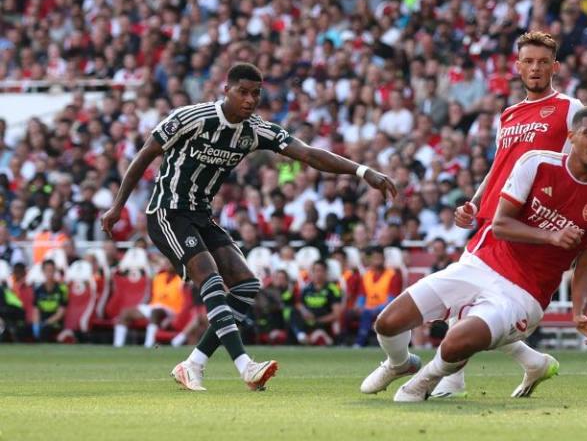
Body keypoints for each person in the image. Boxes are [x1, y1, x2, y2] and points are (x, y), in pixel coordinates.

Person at [100, 63, 397, 392]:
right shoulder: (191, 117)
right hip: (168, 212)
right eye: (243, 92)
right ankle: (245, 367)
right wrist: (118, 205)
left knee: (246, 285)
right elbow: (146, 153)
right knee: (210, 276)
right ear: (226, 90)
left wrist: (363, 172)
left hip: (201, 216)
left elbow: (310, 154)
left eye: (256, 93)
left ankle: (193, 364)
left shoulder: (255, 130)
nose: (250, 99)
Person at [361, 106, 587, 402]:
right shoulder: (537, 163)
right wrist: (551, 235)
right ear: (572, 136)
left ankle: (424, 381)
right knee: (388, 322)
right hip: (481, 263)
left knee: (456, 341)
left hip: (524, 294)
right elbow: (500, 225)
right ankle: (401, 364)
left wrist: (579, 313)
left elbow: (586, 267)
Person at [438, 31, 584, 399]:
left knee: (472, 296)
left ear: (555, 66)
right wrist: (473, 201)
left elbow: (581, 165)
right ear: (517, 67)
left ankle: (452, 380)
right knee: (473, 299)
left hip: (527, 220)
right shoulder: (509, 114)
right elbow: (497, 167)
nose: (535, 68)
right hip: (493, 214)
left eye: (542, 62)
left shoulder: (570, 108)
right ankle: (530, 362)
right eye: (528, 62)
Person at [113, 258, 185, 347]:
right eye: (167, 263)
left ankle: (148, 345)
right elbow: (151, 295)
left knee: (155, 312)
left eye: (170, 263)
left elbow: (185, 300)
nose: (168, 265)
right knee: (125, 312)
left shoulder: (182, 280)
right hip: (155, 306)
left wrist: (176, 316)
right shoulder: (159, 277)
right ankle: (117, 345)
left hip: (172, 309)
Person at [354, 248, 402, 347]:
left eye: (380, 258)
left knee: (367, 313)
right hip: (367, 309)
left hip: (385, 309)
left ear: (384, 259)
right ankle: (342, 340)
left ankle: (360, 341)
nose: (377, 260)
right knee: (349, 313)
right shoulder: (366, 275)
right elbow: (362, 296)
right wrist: (359, 306)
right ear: (370, 260)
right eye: (375, 258)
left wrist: (375, 309)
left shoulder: (392, 275)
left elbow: (392, 300)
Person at [294, 261, 344, 346]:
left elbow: (336, 313)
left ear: (326, 272)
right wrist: (305, 312)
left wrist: (318, 321)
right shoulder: (306, 289)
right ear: (312, 273)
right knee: (292, 312)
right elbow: (299, 304)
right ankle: (302, 336)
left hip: (323, 322)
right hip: (308, 321)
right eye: (316, 271)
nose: (318, 273)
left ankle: (320, 338)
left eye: (321, 270)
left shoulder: (333, 289)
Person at [32, 260, 67, 343]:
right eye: (47, 270)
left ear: (55, 271)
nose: (49, 273)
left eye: (51, 270)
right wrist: (36, 325)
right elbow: (36, 310)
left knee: (45, 330)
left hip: (55, 323)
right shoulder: (38, 290)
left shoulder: (61, 289)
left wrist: (45, 323)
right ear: (43, 272)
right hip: (41, 322)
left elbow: (61, 312)